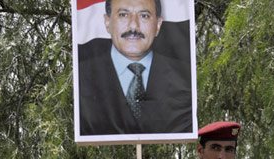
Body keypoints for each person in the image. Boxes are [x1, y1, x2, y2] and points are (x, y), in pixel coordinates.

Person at [78, 0, 192, 135]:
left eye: (144, 16)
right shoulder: (81, 77)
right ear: (107, 22)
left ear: (158, 25)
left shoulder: (185, 77)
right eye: (123, 15)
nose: (133, 26)